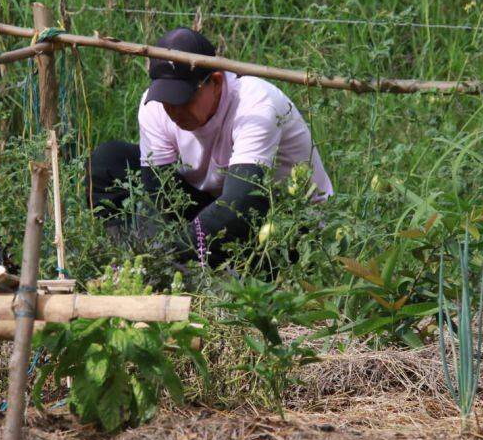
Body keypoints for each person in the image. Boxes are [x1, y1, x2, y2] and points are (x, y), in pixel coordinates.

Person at [86, 27, 332, 264]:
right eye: (166, 99)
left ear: (215, 82)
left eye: (183, 99)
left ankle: (178, 265)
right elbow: (157, 196)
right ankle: (128, 261)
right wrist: (153, 250)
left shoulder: (255, 106)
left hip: (284, 222)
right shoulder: (155, 107)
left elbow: (241, 204)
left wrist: (169, 251)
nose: (174, 110)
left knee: (236, 220)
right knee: (109, 161)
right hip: (216, 203)